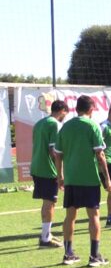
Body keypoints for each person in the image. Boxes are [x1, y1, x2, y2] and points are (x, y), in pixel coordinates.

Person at [53, 95, 111, 267]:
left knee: (70, 216)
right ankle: (94, 256)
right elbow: (100, 155)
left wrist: (60, 176)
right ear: (91, 109)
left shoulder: (65, 127)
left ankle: (68, 254)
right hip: (89, 179)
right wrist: (107, 179)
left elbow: (58, 154)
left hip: (71, 178)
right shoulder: (93, 125)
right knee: (93, 215)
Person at [30, 99, 69, 248]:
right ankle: (45, 239)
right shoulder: (55, 124)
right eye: (65, 113)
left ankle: (47, 234)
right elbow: (54, 151)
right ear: (62, 111)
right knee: (50, 203)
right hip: (48, 170)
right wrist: (61, 173)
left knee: (48, 202)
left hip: (37, 167)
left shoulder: (39, 123)